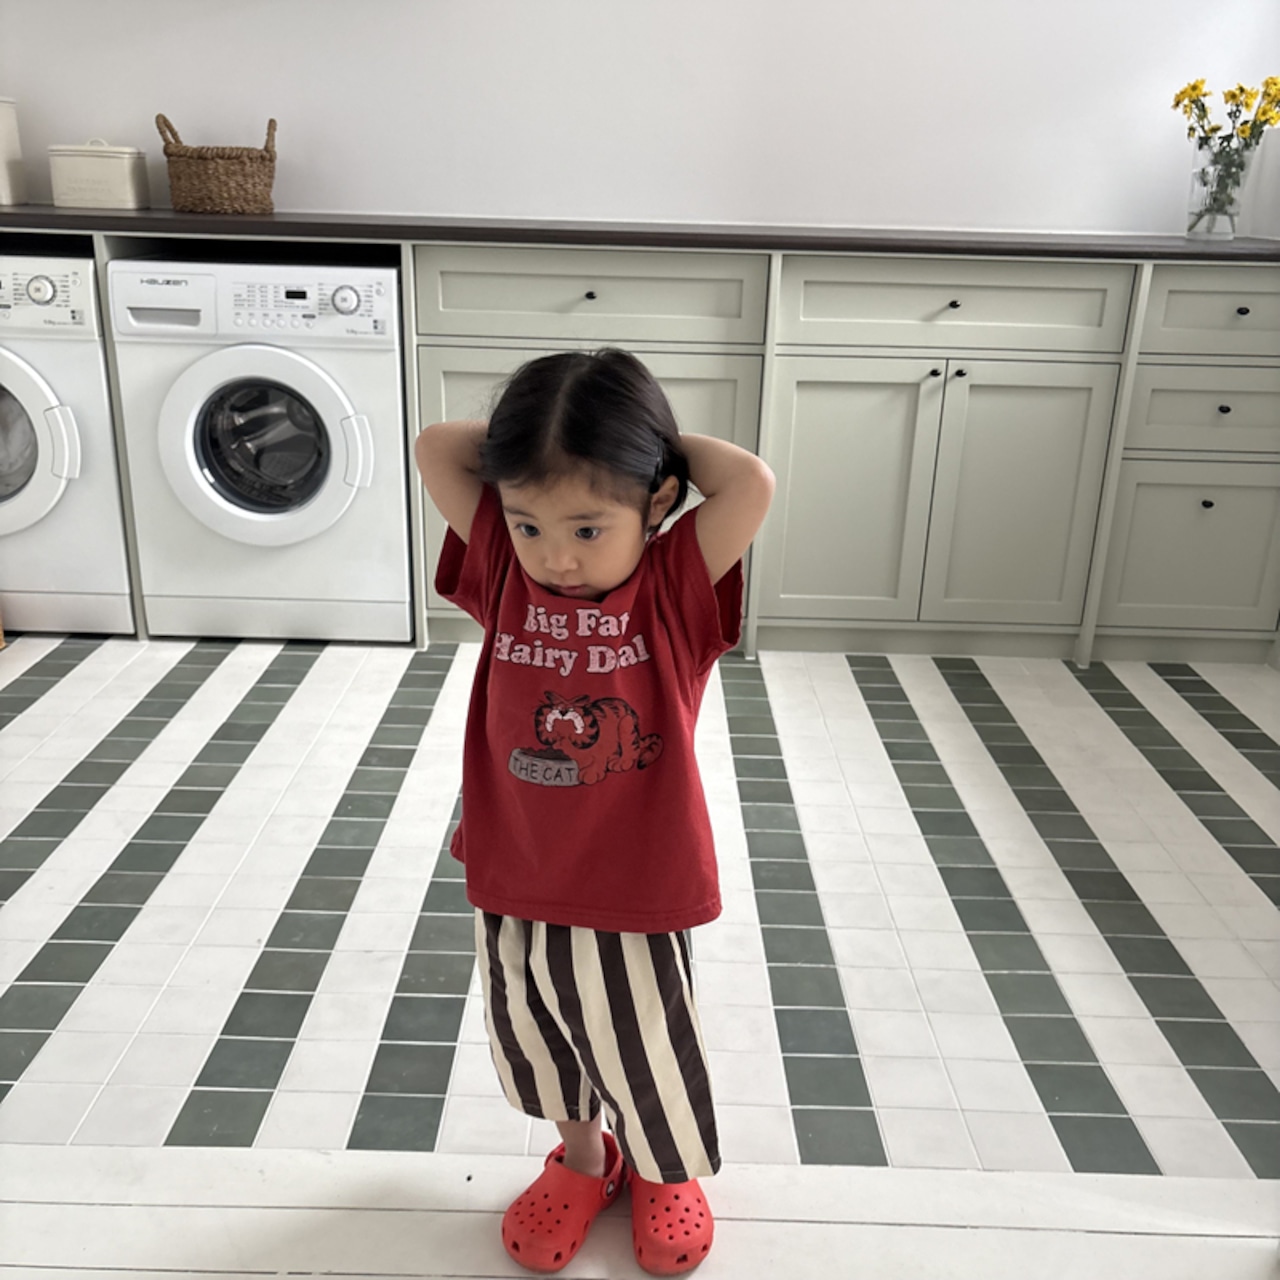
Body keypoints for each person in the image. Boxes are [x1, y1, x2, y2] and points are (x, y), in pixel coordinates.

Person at [415, 347, 774, 1276]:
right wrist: (543, 454)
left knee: (642, 1039)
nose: (557, 556)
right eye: (529, 523)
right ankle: (585, 1159)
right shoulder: (504, 571)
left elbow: (749, 483)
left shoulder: (673, 587)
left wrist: (647, 453)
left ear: (658, 505)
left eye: (587, 526)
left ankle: (664, 1172)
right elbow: (436, 446)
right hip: (516, 864)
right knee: (535, 1030)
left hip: (634, 877)